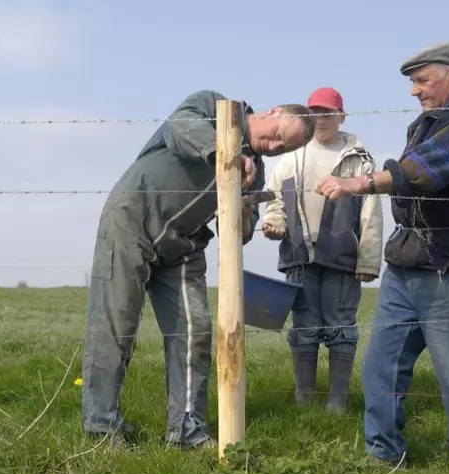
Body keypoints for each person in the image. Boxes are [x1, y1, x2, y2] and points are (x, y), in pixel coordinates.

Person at [316, 42, 449, 472]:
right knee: (380, 366)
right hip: (409, 263)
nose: (414, 91)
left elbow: (426, 171)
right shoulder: (432, 121)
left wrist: (358, 184)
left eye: (422, 81)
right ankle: (382, 454)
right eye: (413, 83)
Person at [81, 90, 315, 449]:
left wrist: (241, 207)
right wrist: (225, 154)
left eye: (284, 148)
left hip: (184, 245)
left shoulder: (257, 170)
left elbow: (238, 235)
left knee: (195, 332)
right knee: (116, 324)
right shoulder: (212, 105)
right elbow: (180, 127)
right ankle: (101, 425)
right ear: (273, 110)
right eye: (279, 134)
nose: (275, 146)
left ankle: (186, 431)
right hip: (133, 218)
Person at [261, 87, 383, 414]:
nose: (321, 119)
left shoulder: (359, 159)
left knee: (340, 326)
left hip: (343, 259)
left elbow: (371, 212)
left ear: (341, 116)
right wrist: (274, 224)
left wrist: (369, 259)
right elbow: (274, 203)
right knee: (304, 326)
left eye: (328, 112)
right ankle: (305, 401)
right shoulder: (290, 158)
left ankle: (337, 403)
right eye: (315, 112)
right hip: (299, 256)